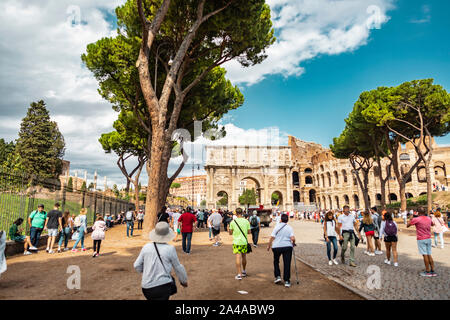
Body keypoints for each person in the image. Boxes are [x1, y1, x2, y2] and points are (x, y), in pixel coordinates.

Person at [134, 222, 188, 300]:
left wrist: (147, 271)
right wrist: (183, 281)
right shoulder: (170, 249)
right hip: (163, 286)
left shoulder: (146, 247)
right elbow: (178, 267)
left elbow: (137, 265)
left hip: (146, 287)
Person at [267, 214, 295, 287]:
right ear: (287, 220)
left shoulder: (277, 227)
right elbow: (292, 238)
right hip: (287, 246)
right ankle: (287, 281)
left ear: (281, 220)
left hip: (277, 246)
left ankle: (278, 276)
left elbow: (272, 237)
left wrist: (269, 245)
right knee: (287, 263)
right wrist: (293, 243)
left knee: (276, 261)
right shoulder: (289, 228)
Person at [407, 207, 436, 277]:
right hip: (428, 238)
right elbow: (432, 224)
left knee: (424, 255)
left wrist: (411, 218)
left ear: (418, 212)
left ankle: (427, 271)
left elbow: (407, 225)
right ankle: (433, 270)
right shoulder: (428, 218)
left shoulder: (417, 219)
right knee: (429, 254)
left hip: (421, 238)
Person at [229, 207, 251, 280]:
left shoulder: (233, 222)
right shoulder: (246, 221)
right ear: (242, 213)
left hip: (236, 242)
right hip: (244, 241)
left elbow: (230, 233)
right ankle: (244, 271)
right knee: (244, 257)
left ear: (236, 213)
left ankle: (239, 274)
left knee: (238, 257)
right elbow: (249, 232)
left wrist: (229, 230)